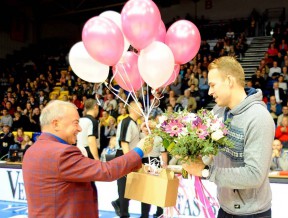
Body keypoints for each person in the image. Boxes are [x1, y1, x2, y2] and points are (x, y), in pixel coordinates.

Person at [22, 100, 153, 217]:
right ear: (56, 124)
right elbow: (107, 171)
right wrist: (140, 150)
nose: (79, 129)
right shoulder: (62, 153)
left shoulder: (31, 151)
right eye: (75, 123)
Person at [183, 56, 274, 217]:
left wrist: (206, 171)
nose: (209, 91)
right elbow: (207, 150)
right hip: (224, 209)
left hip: (252, 213)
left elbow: (254, 175)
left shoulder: (259, 117)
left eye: (212, 85)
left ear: (229, 81)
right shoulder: (218, 111)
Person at [112, 101, 150, 218]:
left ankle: (118, 203)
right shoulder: (127, 122)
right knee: (124, 190)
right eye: (141, 107)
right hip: (125, 157)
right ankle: (123, 213)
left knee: (130, 189)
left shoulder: (134, 123)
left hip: (131, 157)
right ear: (133, 108)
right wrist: (129, 162)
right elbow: (124, 143)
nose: (143, 109)